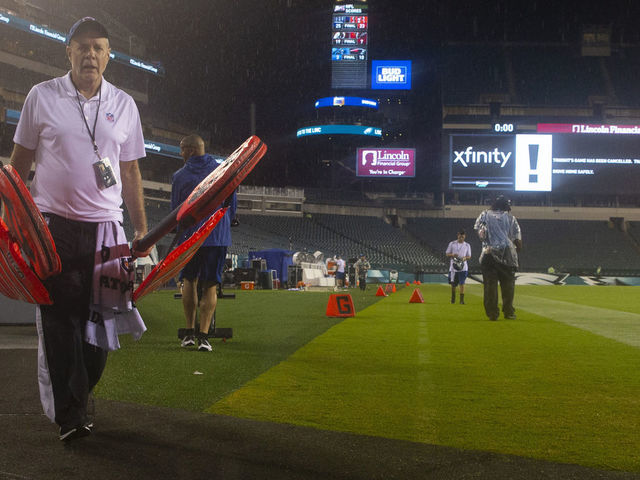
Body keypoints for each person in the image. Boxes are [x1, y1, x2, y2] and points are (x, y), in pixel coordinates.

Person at [9, 17, 151, 441]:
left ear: (109, 55)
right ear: (67, 52)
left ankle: (80, 391)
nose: (90, 54)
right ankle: (69, 415)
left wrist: (140, 229)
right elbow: (18, 166)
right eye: (82, 46)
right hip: (52, 227)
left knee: (101, 325)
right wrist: (14, 224)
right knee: (59, 318)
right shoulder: (42, 96)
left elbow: (130, 172)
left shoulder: (124, 104)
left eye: (99, 47)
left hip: (108, 231)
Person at [171, 134, 236, 352]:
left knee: (188, 280)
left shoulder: (179, 176)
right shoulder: (222, 171)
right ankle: (205, 337)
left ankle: (189, 333)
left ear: (189, 150)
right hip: (216, 234)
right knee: (210, 284)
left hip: (191, 236)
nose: (181, 154)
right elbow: (230, 205)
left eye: (181, 149)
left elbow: (176, 211)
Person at [474, 196, 522, 321]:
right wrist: (517, 248)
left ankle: (492, 313)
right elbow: (517, 239)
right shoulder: (511, 218)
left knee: (490, 286)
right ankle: (508, 311)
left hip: (488, 254)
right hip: (507, 254)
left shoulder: (484, 215)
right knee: (508, 285)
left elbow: (481, 235)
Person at [446, 229, 471, 304]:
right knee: (453, 284)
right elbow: (447, 253)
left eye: (463, 236)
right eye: (460, 235)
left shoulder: (467, 245)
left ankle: (461, 300)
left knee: (462, 283)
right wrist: (453, 255)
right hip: (453, 267)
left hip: (463, 267)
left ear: (465, 236)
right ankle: (453, 299)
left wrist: (465, 258)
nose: (461, 237)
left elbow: (469, 256)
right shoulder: (452, 243)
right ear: (458, 235)